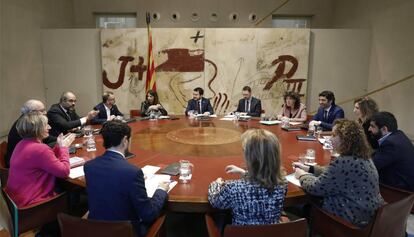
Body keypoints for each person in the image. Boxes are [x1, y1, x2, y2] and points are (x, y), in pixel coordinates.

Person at [84, 121, 169, 237]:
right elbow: (148, 214)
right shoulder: (132, 172)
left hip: (95, 229)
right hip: (125, 232)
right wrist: (161, 190)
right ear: (125, 140)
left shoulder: (89, 166)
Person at [294, 119, 384, 227]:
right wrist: (310, 169)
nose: (330, 139)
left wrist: (302, 175)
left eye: (333, 135)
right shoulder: (363, 156)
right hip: (369, 214)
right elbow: (334, 173)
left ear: (346, 139)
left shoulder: (344, 162)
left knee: (302, 206)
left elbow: (316, 188)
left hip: (351, 220)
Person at [208, 129, 287, 226]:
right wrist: (245, 173)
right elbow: (261, 182)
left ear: (250, 158)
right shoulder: (283, 183)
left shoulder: (234, 188)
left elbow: (215, 201)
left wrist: (215, 184)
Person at [5, 113, 75, 207]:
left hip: (14, 200)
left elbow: (44, 159)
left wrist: (58, 146)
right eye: (46, 125)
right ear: (36, 128)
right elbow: (64, 172)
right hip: (30, 204)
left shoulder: (22, 143)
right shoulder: (39, 149)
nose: (49, 127)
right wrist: (63, 148)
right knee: (73, 188)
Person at [368, 112, 414, 192]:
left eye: (372, 126)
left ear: (384, 129)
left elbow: (372, 165)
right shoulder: (398, 134)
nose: (369, 129)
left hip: (402, 190)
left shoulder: (391, 144)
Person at [4, 99, 56, 168]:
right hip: (20, 164)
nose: (45, 112)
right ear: (31, 112)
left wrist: (60, 140)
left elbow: (46, 139)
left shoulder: (30, 122)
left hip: (27, 157)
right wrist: (60, 145)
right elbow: (34, 150)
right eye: (42, 111)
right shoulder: (23, 125)